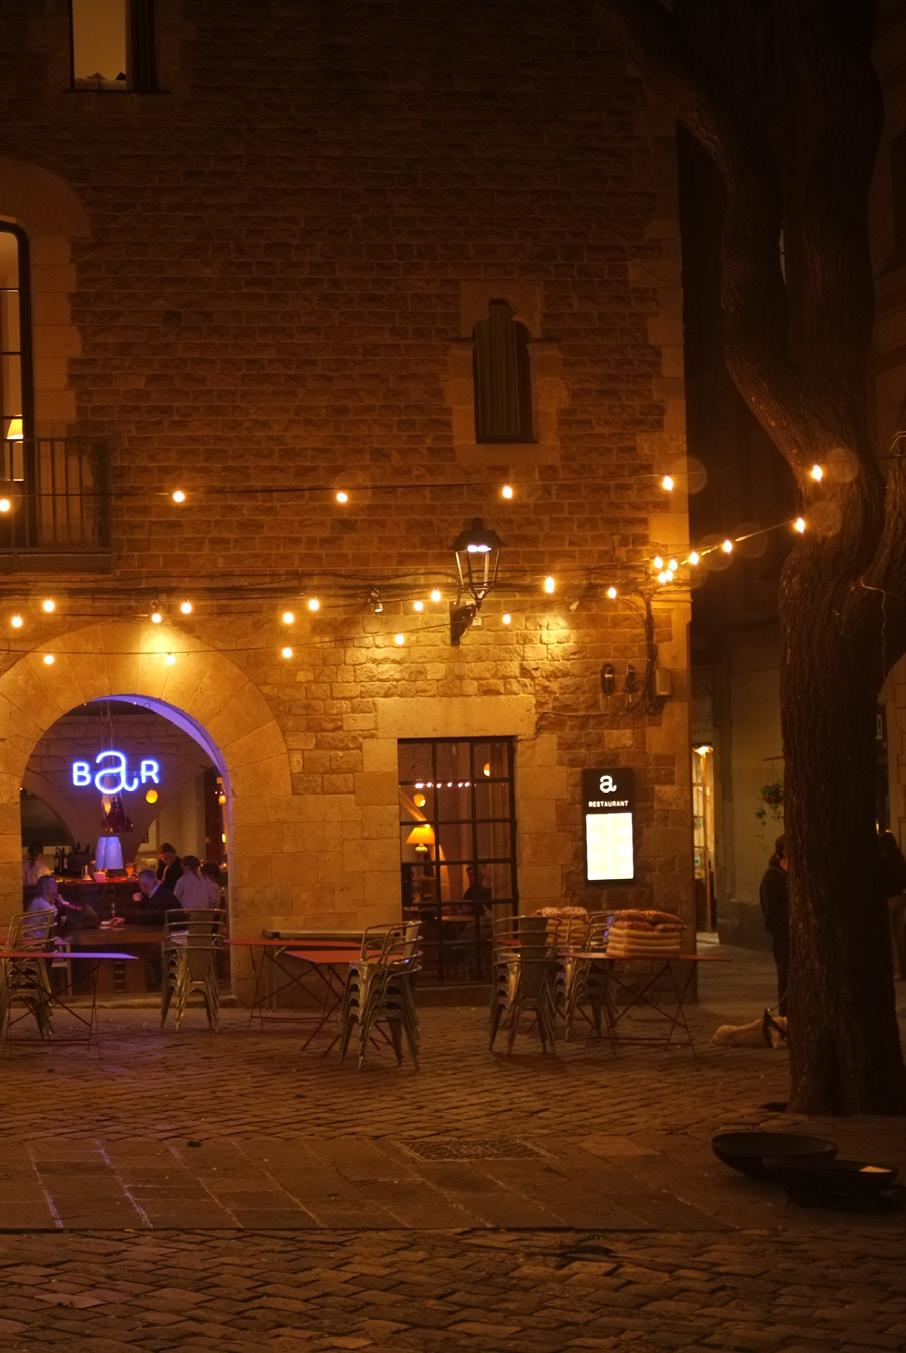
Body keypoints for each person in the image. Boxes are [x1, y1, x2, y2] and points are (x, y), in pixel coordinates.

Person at [759, 834, 789, 1017]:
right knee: (786, 975)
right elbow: (771, 908)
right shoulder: (773, 876)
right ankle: (786, 1015)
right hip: (783, 934)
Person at [27, 875, 99, 934]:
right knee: (68, 940)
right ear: (44, 887)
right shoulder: (41, 903)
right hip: (37, 939)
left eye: (55, 883)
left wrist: (61, 904)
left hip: (42, 937)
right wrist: (62, 902)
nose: (56, 886)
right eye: (52, 883)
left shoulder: (44, 901)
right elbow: (56, 920)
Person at [878, 829, 906, 980]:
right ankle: (903, 965)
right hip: (901, 897)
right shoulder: (899, 858)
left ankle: (896, 970)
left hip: (888, 899)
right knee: (900, 933)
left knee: (891, 935)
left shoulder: (882, 861)